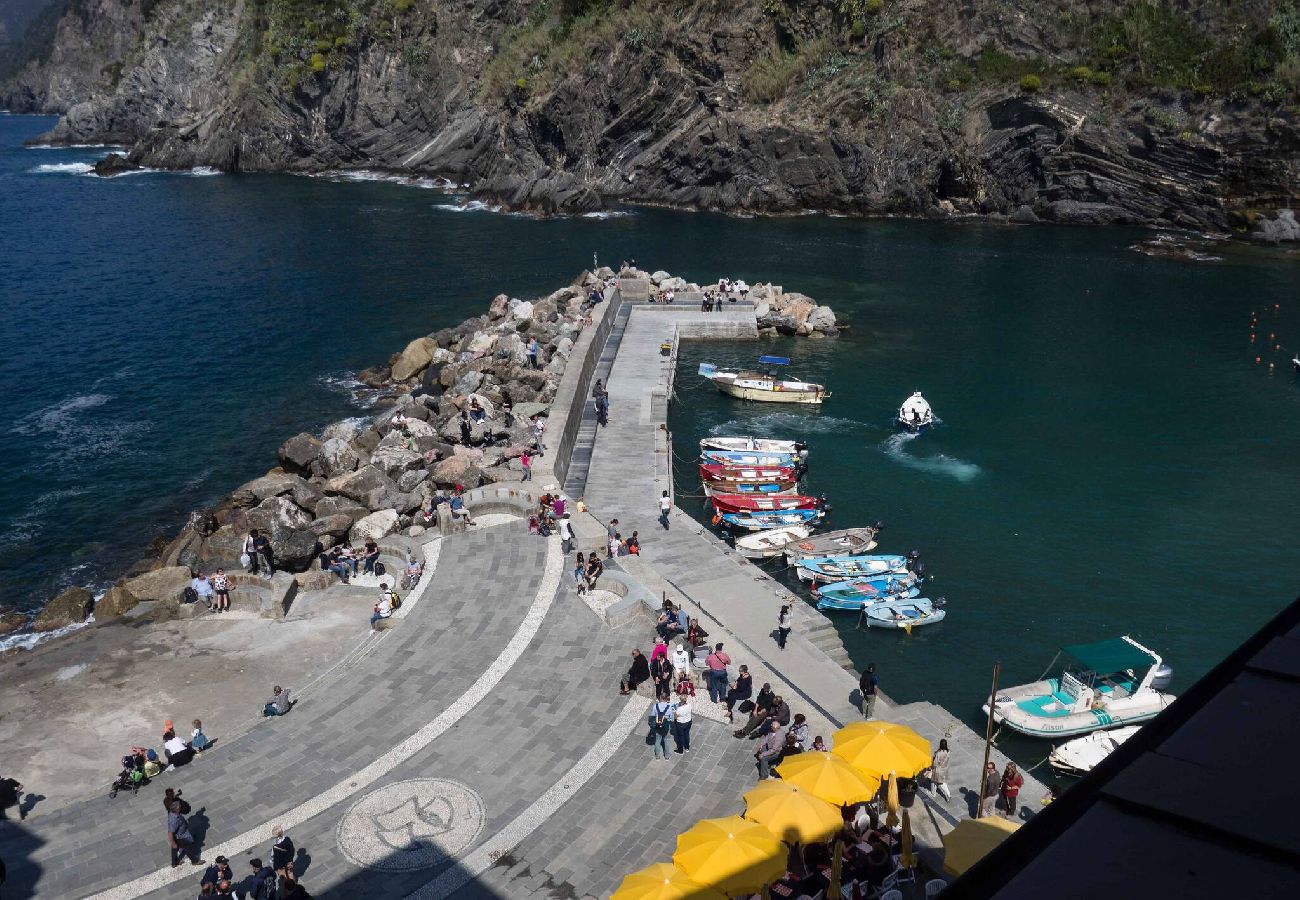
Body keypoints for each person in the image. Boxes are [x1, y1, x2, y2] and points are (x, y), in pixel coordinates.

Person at [167, 800, 205, 868]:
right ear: (177, 809)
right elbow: (170, 833)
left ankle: (174, 863)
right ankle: (195, 861)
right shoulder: (174, 820)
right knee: (188, 848)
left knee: (175, 848)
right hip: (181, 837)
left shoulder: (173, 813)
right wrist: (173, 843)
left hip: (180, 836)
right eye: (179, 806)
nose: (181, 806)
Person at [649, 693, 674, 760]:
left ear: (660, 698)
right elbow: (671, 718)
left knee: (657, 740)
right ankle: (667, 756)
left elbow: (652, 716)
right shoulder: (669, 707)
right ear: (666, 698)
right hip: (666, 726)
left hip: (658, 725)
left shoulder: (655, 706)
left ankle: (657, 756)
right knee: (666, 740)